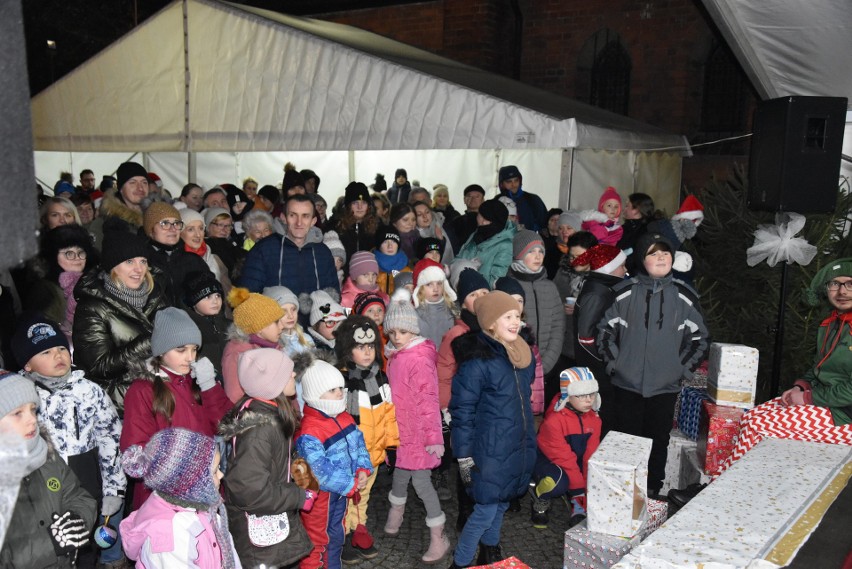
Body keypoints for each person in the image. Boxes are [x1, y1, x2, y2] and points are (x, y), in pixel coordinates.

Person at [597, 232, 709, 496]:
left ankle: (651, 491)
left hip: (665, 387)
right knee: (625, 439)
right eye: (653, 253)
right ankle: (623, 491)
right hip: (627, 384)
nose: (661, 257)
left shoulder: (684, 297)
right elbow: (604, 332)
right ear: (641, 260)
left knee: (658, 440)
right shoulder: (624, 294)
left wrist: (682, 369)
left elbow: (700, 338)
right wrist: (615, 364)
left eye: (665, 253)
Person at [11, 316, 127, 567]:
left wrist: (113, 489)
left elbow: (111, 439)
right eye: (46, 351)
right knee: (50, 547)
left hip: (84, 481)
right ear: (27, 365)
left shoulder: (89, 390)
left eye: (62, 347)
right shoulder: (20, 399)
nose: (58, 355)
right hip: (41, 486)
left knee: (84, 548)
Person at [449, 291, 536, 568]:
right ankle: (460, 562)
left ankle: (489, 553)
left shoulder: (521, 356)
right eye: (507, 317)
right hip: (487, 453)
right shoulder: (478, 363)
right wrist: (464, 457)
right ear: (489, 323)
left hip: (514, 448)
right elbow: (462, 413)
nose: (515, 322)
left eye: (517, 317)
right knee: (484, 512)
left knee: (499, 504)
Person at [120, 307, 232, 510]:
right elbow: (135, 453)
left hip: (205, 489)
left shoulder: (199, 381)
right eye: (181, 350)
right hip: (164, 500)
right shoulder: (143, 390)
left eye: (194, 349)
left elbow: (225, 426)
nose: (190, 357)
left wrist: (210, 387)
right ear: (161, 350)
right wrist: (179, 475)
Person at [219, 349, 314, 568]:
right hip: (260, 537)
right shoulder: (259, 429)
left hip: (275, 517)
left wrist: (305, 477)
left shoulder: (272, 413)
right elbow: (249, 491)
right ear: (272, 382)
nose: (293, 376)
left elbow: (285, 455)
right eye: (288, 373)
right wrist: (298, 495)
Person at [0, 369, 98, 568]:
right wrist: (52, 543)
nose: (32, 419)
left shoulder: (47, 456)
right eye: (17, 413)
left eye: (33, 409)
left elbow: (77, 495)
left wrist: (77, 520)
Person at [382, 291, 450, 565]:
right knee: (399, 475)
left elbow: (428, 400)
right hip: (400, 432)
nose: (397, 337)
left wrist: (434, 437)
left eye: (403, 331)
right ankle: (395, 515)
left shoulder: (418, 358)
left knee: (421, 483)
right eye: (393, 332)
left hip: (420, 435)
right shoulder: (396, 355)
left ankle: (439, 536)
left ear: (414, 330)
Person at [72, 233, 169, 411]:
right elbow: (99, 366)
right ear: (113, 267)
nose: (139, 269)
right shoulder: (92, 308)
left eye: (143, 261)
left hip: (163, 397)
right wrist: (149, 342)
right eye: (130, 262)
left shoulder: (157, 297)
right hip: (120, 405)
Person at [120, 428, 240, 568]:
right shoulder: (170, 538)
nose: (221, 475)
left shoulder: (198, 506)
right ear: (187, 484)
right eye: (214, 472)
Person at [295, 355, 373, 569]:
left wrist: (361, 468)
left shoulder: (344, 416)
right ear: (314, 394)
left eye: (340, 387)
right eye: (332, 390)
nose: (340, 393)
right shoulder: (310, 431)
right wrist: (350, 484)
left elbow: (359, 444)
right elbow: (319, 470)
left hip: (341, 493)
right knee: (316, 541)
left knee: (337, 534)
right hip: (320, 498)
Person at [334, 316, 399, 563]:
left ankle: (359, 530)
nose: (367, 352)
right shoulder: (343, 381)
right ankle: (344, 536)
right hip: (350, 458)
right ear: (347, 349)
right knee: (348, 498)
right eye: (360, 347)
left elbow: (388, 414)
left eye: (371, 346)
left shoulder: (380, 378)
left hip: (373, 455)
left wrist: (389, 445)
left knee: (363, 498)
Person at [239, 194, 340, 326]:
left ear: (313, 220)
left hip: (315, 331)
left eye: (305, 216)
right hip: (276, 331)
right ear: (283, 218)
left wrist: (322, 329)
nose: (299, 222)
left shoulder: (323, 252)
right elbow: (248, 295)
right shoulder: (263, 250)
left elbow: (333, 294)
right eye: (293, 215)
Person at [436, 268, 490, 514]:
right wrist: (447, 407)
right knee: (466, 459)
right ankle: (466, 509)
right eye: (473, 294)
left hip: (487, 405)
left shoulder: (495, 326)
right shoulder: (457, 333)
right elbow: (444, 372)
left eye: (484, 292)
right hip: (463, 406)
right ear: (463, 301)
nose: (479, 297)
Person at [529, 367, 602, 529]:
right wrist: (579, 494)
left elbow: (589, 457)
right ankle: (539, 494)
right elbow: (564, 458)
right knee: (558, 482)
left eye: (592, 394)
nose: (589, 400)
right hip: (547, 461)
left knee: (583, 478)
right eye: (582, 395)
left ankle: (577, 500)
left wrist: (588, 492)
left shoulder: (595, 420)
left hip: (571, 462)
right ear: (567, 397)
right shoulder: (554, 421)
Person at [571, 244, 627, 431]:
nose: (625, 270)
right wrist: (607, 360)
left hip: (599, 365)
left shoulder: (603, 288)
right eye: (622, 265)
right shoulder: (597, 293)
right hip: (597, 368)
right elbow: (585, 335)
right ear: (610, 267)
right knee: (603, 411)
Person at [14, 224, 98, 344]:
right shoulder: (45, 290)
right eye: (69, 253)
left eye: (81, 252)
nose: (77, 258)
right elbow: (44, 337)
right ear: (54, 256)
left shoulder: (92, 283)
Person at [508, 230, 566, 402]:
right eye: (531, 251)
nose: (537, 256)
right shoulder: (509, 287)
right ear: (519, 255)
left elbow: (558, 327)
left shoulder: (550, 287)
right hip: (518, 365)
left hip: (549, 367)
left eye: (541, 251)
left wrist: (545, 363)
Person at [142, 201, 214, 306]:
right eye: (165, 223)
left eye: (176, 223)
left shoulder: (193, 260)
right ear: (151, 230)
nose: (173, 229)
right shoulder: (141, 262)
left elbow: (212, 296)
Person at [221, 288, 285, 403]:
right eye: (276, 322)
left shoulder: (275, 346)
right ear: (259, 327)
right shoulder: (238, 353)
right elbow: (235, 396)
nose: (281, 326)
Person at [454, 198, 515, 286]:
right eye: (480, 215)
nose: (480, 220)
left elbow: (496, 281)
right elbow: (458, 258)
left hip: (483, 295)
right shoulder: (475, 235)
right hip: (462, 290)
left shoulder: (505, 245)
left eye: (487, 219)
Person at [183, 272, 231, 377]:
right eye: (207, 296)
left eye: (218, 295)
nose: (215, 301)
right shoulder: (190, 331)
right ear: (194, 302)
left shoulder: (230, 326)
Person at [181, 208, 232, 298]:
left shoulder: (215, 259)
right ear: (179, 232)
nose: (198, 234)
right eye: (190, 229)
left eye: (201, 228)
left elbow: (227, 294)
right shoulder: (174, 261)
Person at [411, 259, 458, 348]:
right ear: (420, 288)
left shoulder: (453, 310)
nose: (435, 289)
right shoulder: (415, 314)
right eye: (429, 284)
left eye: (439, 283)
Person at [98, 162, 149, 234]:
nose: (140, 188)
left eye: (144, 182)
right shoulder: (109, 224)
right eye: (133, 182)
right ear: (121, 188)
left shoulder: (155, 216)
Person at [336, 182, 380, 260]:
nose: (360, 207)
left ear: (369, 206)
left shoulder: (378, 226)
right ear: (348, 206)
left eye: (364, 202)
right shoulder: (338, 227)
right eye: (355, 203)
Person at [497, 165, 547, 232]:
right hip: (504, 241)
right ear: (501, 184)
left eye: (516, 180)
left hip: (529, 240)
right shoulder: (496, 202)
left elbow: (544, 225)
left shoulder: (533, 199)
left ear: (520, 181)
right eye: (509, 181)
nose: (513, 184)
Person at [306, 290, 347, 354]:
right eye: (330, 322)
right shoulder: (311, 347)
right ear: (316, 324)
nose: (337, 327)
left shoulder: (344, 341)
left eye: (339, 321)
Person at [544, 210, 582, 280]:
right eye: (561, 228)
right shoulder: (550, 252)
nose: (564, 231)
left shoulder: (585, 250)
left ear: (577, 230)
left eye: (569, 228)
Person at [449, 184, 486, 252]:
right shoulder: (456, 222)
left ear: (483, 200)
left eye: (477, 196)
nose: (473, 199)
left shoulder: (489, 220)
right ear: (464, 200)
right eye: (469, 196)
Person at [374, 229, 410, 296]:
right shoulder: (370, 267)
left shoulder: (408, 271)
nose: (390, 246)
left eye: (393, 241)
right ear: (379, 245)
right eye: (385, 242)